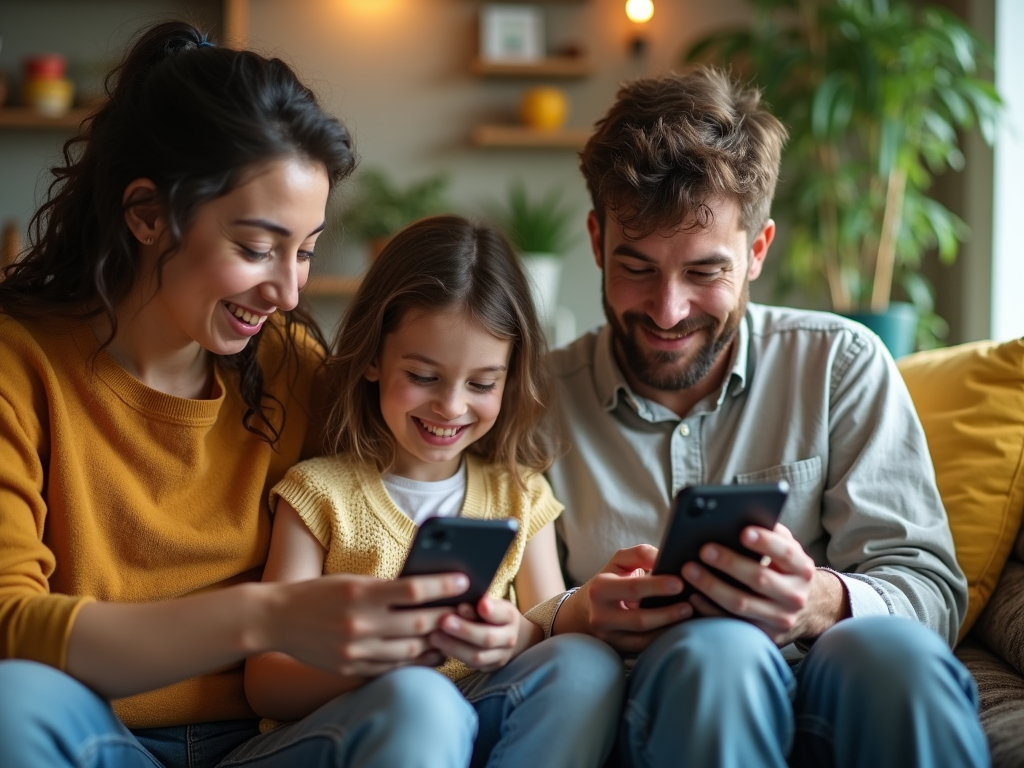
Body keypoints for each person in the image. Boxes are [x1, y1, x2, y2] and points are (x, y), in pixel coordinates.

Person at [0, 21, 502, 768]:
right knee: (14, 701)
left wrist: (523, 621)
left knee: (422, 705)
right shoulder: (21, 363)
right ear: (146, 214)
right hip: (95, 734)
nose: (289, 289)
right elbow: (13, 625)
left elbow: (415, 468)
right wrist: (260, 616)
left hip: (269, 746)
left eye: (305, 251)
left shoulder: (291, 365)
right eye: (257, 248)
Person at [523, 67, 989, 768]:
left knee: (898, 661)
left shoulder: (840, 364)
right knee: (720, 657)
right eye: (637, 267)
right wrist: (577, 612)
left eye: (705, 272)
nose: (668, 309)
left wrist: (820, 599)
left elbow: (926, 583)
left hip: (835, 672)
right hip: (667, 701)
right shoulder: (535, 400)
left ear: (758, 251)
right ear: (596, 241)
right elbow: (508, 616)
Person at [244, 214, 625, 768]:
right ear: (373, 357)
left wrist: (513, 638)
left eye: (482, 384)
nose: (450, 407)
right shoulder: (318, 496)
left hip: (473, 720)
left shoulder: (519, 495)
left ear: (509, 378)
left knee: (587, 662)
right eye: (423, 377)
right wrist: (373, 663)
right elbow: (266, 684)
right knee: (420, 700)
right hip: (341, 733)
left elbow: (548, 633)